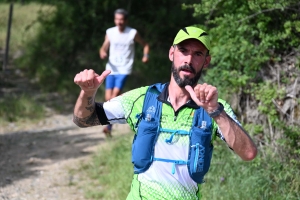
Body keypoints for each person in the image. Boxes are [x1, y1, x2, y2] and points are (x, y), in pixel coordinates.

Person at [73, 26, 257, 199]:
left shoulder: (215, 107)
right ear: (172, 53)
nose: (188, 60)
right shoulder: (142, 99)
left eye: (198, 54)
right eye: (183, 51)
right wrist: (87, 93)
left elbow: (248, 153)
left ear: (206, 62)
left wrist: (215, 111)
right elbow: (84, 119)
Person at [99, 8, 150, 137]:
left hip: (124, 69)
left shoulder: (132, 33)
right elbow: (104, 47)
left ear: (126, 20)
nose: (119, 22)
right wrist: (103, 52)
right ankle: (130, 104)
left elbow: (145, 45)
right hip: (111, 68)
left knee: (113, 96)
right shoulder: (110, 32)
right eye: (117, 19)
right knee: (108, 98)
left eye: (121, 19)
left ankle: (108, 126)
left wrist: (146, 56)